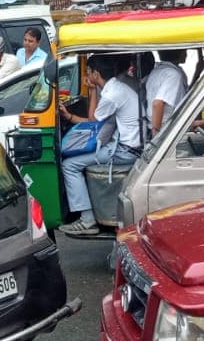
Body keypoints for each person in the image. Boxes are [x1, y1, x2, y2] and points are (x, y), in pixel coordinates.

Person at [59, 54, 142, 237]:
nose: (87, 76)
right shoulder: (116, 88)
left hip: (125, 151)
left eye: (88, 72)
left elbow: (93, 120)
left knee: (69, 165)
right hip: (127, 146)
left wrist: (91, 92)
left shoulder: (112, 95)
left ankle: (87, 219)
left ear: (95, 73)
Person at [145, 49, 188, 134]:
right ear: (178, 53)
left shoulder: (158, 70)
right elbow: (157, 104)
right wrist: (156, 135)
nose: (186, 54)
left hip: (155, 125)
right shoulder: (173, 74)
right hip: (164, 129)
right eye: (184, 51)